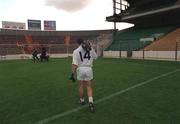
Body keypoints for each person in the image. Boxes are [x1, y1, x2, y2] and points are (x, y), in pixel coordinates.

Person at [69, 38, 97, 113]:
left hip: (80, 69)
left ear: (77, 43)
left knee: (81, 86)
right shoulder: (90, 48)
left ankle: (82, 100)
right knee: (89, 86)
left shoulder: (76, 51)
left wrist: (72, 74)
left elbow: (74, 64)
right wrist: (92, 48)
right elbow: (96, 57)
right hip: (88, 69)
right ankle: (91, 103)